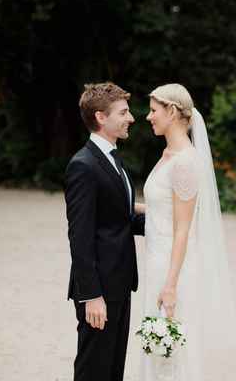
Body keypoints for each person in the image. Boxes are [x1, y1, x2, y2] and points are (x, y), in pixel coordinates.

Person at [138, 83, 236, 380]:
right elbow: (162, 208)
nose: (148, 117)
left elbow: (183, 228)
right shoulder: (169, 153)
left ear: (171, 111)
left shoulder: (184, 163)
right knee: (157, 350)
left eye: (154, 110)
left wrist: (170, 286)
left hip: (173, 267)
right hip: (158, 261)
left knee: (171, 351)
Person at [64, 82, 145, 381]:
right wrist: (92, 296)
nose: (131, 118)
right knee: (93, 370)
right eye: (123, 112)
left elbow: (121, 220)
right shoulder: (83, 166)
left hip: (120, 283)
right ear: (101, 117)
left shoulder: (114, 159)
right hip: (99, 289)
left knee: (113, 370)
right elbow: (80, 237)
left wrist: (172, 220)